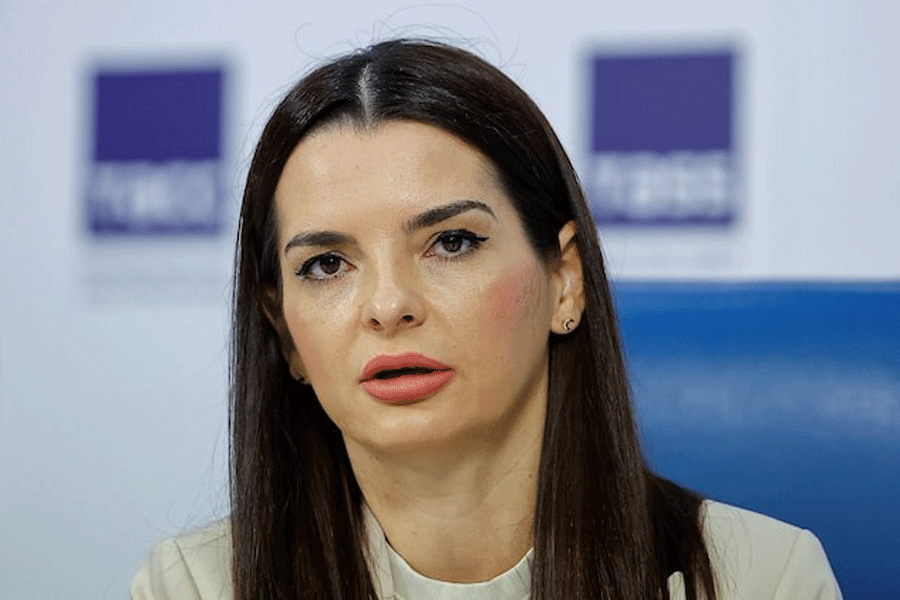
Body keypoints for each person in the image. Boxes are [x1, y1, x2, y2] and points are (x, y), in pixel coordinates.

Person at [131, 38, 842, 600]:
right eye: (326, 264)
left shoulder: (763, 579)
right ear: (283, 331)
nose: (388, 306)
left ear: (565, 280)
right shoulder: (194, 588)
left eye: (451, 242)